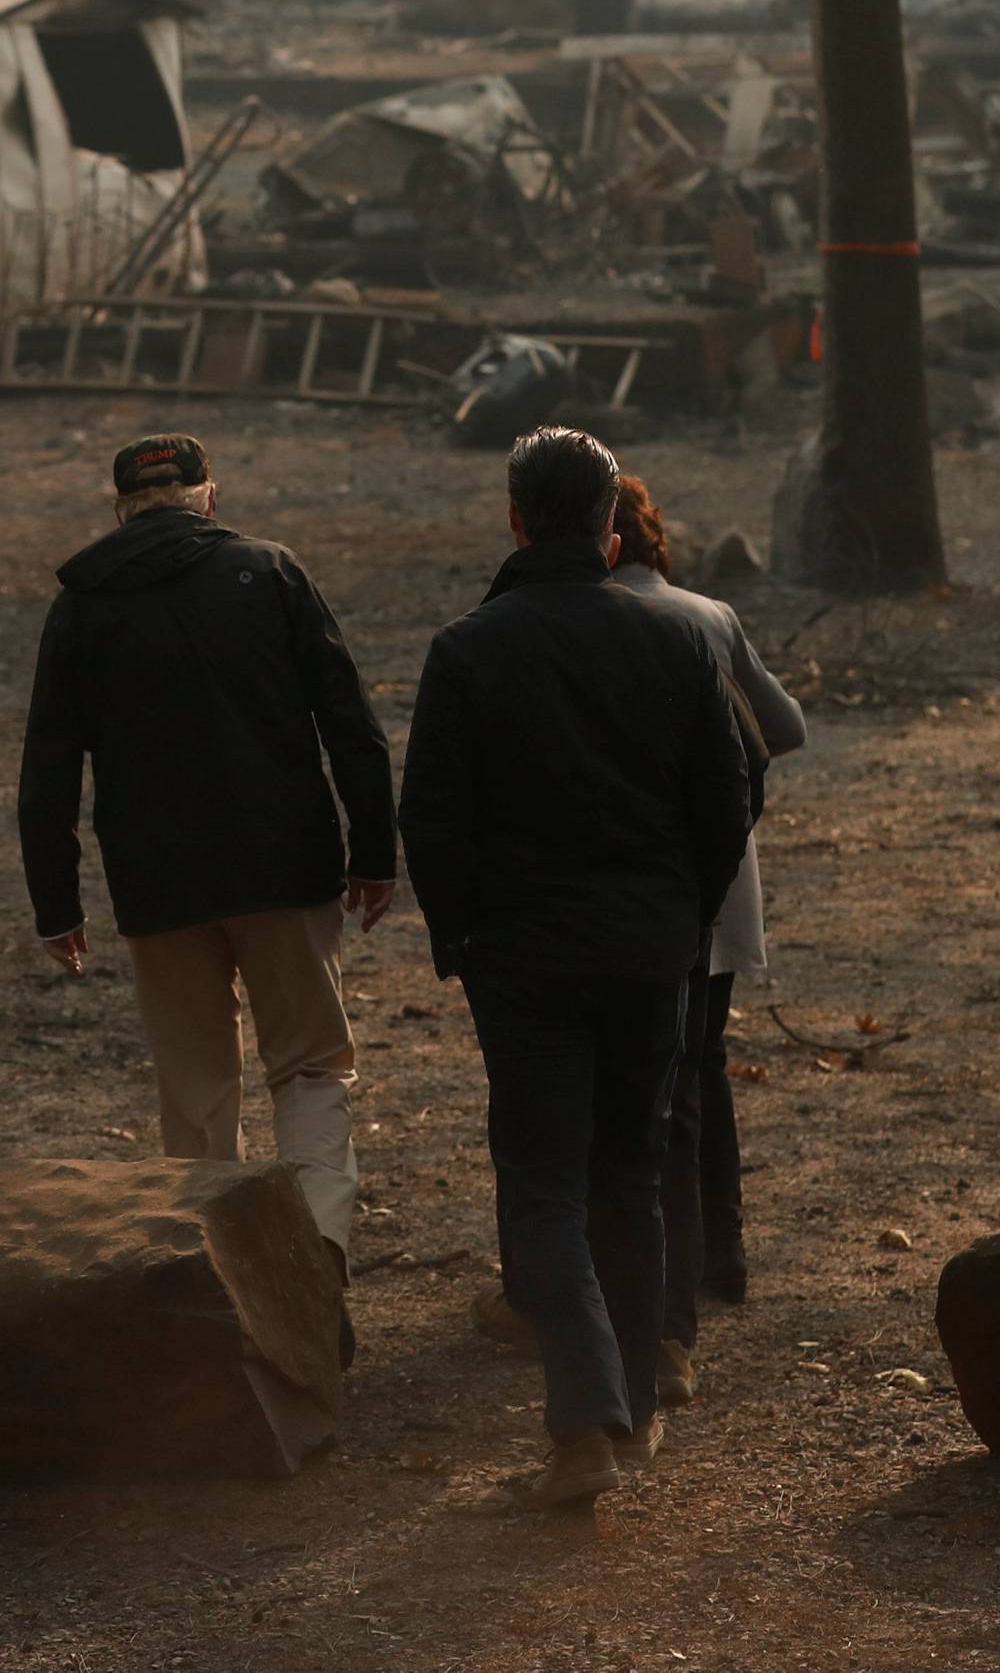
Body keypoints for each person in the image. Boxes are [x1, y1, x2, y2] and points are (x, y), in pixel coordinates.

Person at [398, 428, 750, 1511]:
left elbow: (432, 824)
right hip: (651, 952)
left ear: (513, 519)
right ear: (611, 527)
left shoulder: (468, 651)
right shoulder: (678, 641)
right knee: (631, 1177)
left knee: (543, 1186)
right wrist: (681, 921)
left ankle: (589, 1421)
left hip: (525, 958)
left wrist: (463, 940)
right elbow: (724, 806)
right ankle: (634, 1409)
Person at [16, 433, 396, 1315]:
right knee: (308, 1068)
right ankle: (320, 1258)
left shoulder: (81, 607)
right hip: (285, 869)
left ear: (121, 511)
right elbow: (351, 723)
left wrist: (55, 904)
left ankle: (214, 1293)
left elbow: (46, 773)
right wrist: (374, 852)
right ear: (209, 500)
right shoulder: (269, 575)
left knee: (194, 1092)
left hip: (160, 888)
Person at [607, 474, 806, 1403]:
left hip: (639, 884)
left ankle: (642, 1282)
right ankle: (722, 1248)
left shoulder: (568, 619)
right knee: (703, 1065)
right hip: (720, 876)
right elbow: (787, 727)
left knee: (644, 1083)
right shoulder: (709, 615)